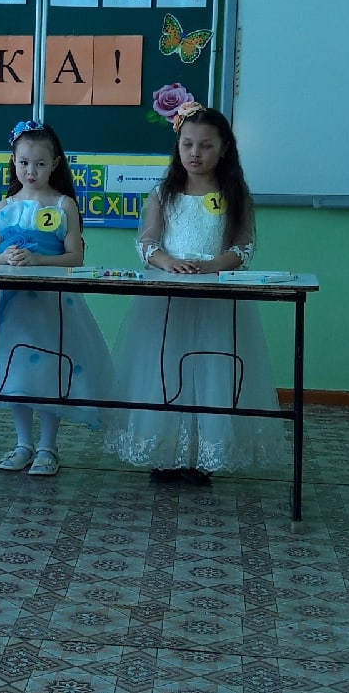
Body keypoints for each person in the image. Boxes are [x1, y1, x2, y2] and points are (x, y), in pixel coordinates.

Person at [104, 102, 286, 484]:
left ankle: (202, 456)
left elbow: (244, 247)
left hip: (215, 294)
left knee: (211, 368)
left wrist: (213, 265)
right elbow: (147, 242)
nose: (195, 153)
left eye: (205, 145)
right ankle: (163, 452)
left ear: (224, 148)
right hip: (168, 294)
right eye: (187, 144)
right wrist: (168, 262)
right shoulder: (164, 192)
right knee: (165, 368)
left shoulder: (235, 193)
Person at [0, 121, 114, 477]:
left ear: (54, 164)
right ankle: (23, 443)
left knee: (50, 370)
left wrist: (38, 259)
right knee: (17, 370)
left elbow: (75, 256)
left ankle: (48, 446)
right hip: (11, 304)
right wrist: (4, 258)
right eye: (23, 163)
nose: (31, 171)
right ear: (13, 161)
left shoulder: (64, 204)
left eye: (39, 163)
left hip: (52, 303)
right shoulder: (5, 205)